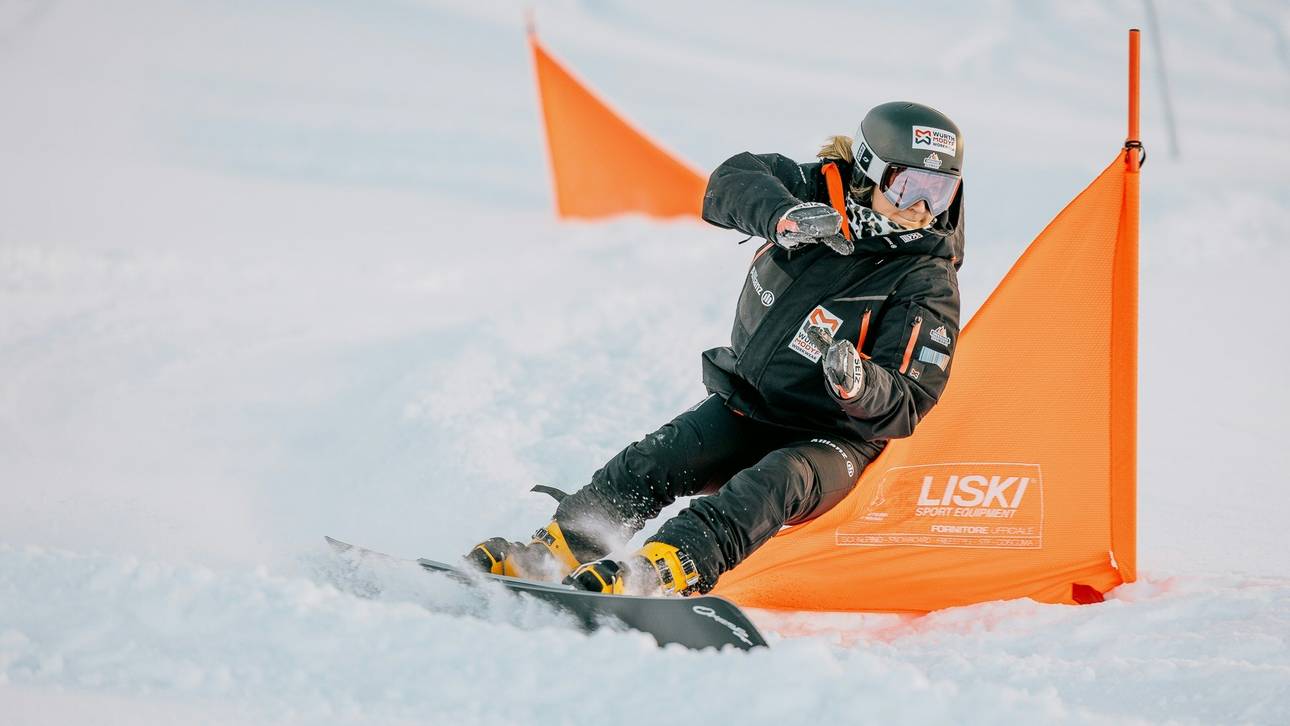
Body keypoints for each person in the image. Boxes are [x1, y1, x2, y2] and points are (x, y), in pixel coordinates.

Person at [465, 101, 966, 596]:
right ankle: (556, 553)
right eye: (907, 185)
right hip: (751, 406)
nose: (921, 207)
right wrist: (783, 216)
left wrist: (859, 385)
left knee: (771, 482)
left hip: (834, 438)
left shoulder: (927, 277)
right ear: (867, 171)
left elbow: (910, 399)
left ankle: (659, 571)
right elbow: (731, 180)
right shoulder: (818, 191)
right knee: (660, 456)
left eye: (939, 192)